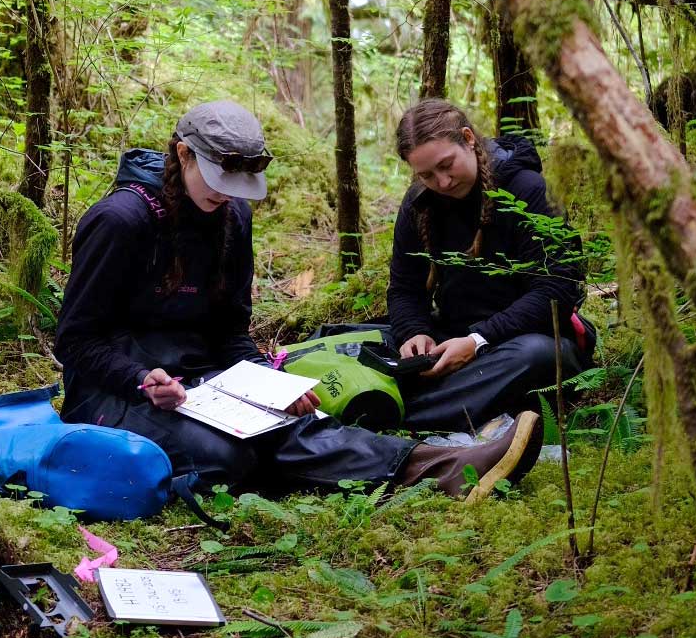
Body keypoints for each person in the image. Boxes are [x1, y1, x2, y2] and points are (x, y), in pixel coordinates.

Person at [55, 99, 547, 505]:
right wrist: (139, 379)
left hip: (201, 380)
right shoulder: (121, 221)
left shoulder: (233, 219)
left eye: (237, 188)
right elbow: (74, 341)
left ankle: (441, 466)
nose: (227, 197)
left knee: (293, 420)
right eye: (218, 182)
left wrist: (270, 385)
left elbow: (230, 333)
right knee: (227, 458)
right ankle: (438, 465)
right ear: (183, 155)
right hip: (112, 391)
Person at [387, 98, 596, 434]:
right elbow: (404, 288)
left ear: (469, 139)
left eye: (446, 165)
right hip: (452, 337)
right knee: (358, 342)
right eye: (426, 174)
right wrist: (414, 332)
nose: (441, 182)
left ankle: (397, 418)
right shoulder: (419, 204)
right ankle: (422, 402)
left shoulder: (528, 189)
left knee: (535, 356)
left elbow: (556, 289)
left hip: (524, 340)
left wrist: (477, 341)